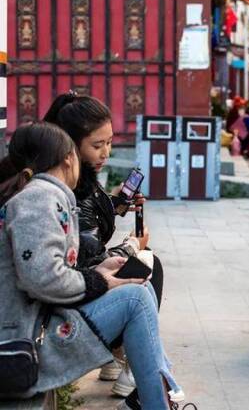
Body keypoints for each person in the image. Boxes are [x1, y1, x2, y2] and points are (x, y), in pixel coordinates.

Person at [0, 123, 179, 409]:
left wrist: (97, 272)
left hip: (39, 326)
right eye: (97, 145)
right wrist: (100, 282)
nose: (104, 153)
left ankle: (156, 401)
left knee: (138, 292)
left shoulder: (45, 195)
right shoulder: (39, 198)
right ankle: (157, 402)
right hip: (29, 340)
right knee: (135, 298)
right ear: (69, 158)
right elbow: (43, 279)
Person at [42, 93, 183, 402]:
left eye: (109, 143)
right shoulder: (53, 198)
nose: (106, 152)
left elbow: (89, 236)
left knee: (141, 279)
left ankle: (143, 380)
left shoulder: (79, 183)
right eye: (97, 145)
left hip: (72, 297)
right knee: (142, 275)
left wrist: (116, 202)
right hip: (57, 320)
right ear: (69, 149)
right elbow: (78, 268)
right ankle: (136, 373)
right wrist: (131, 247)